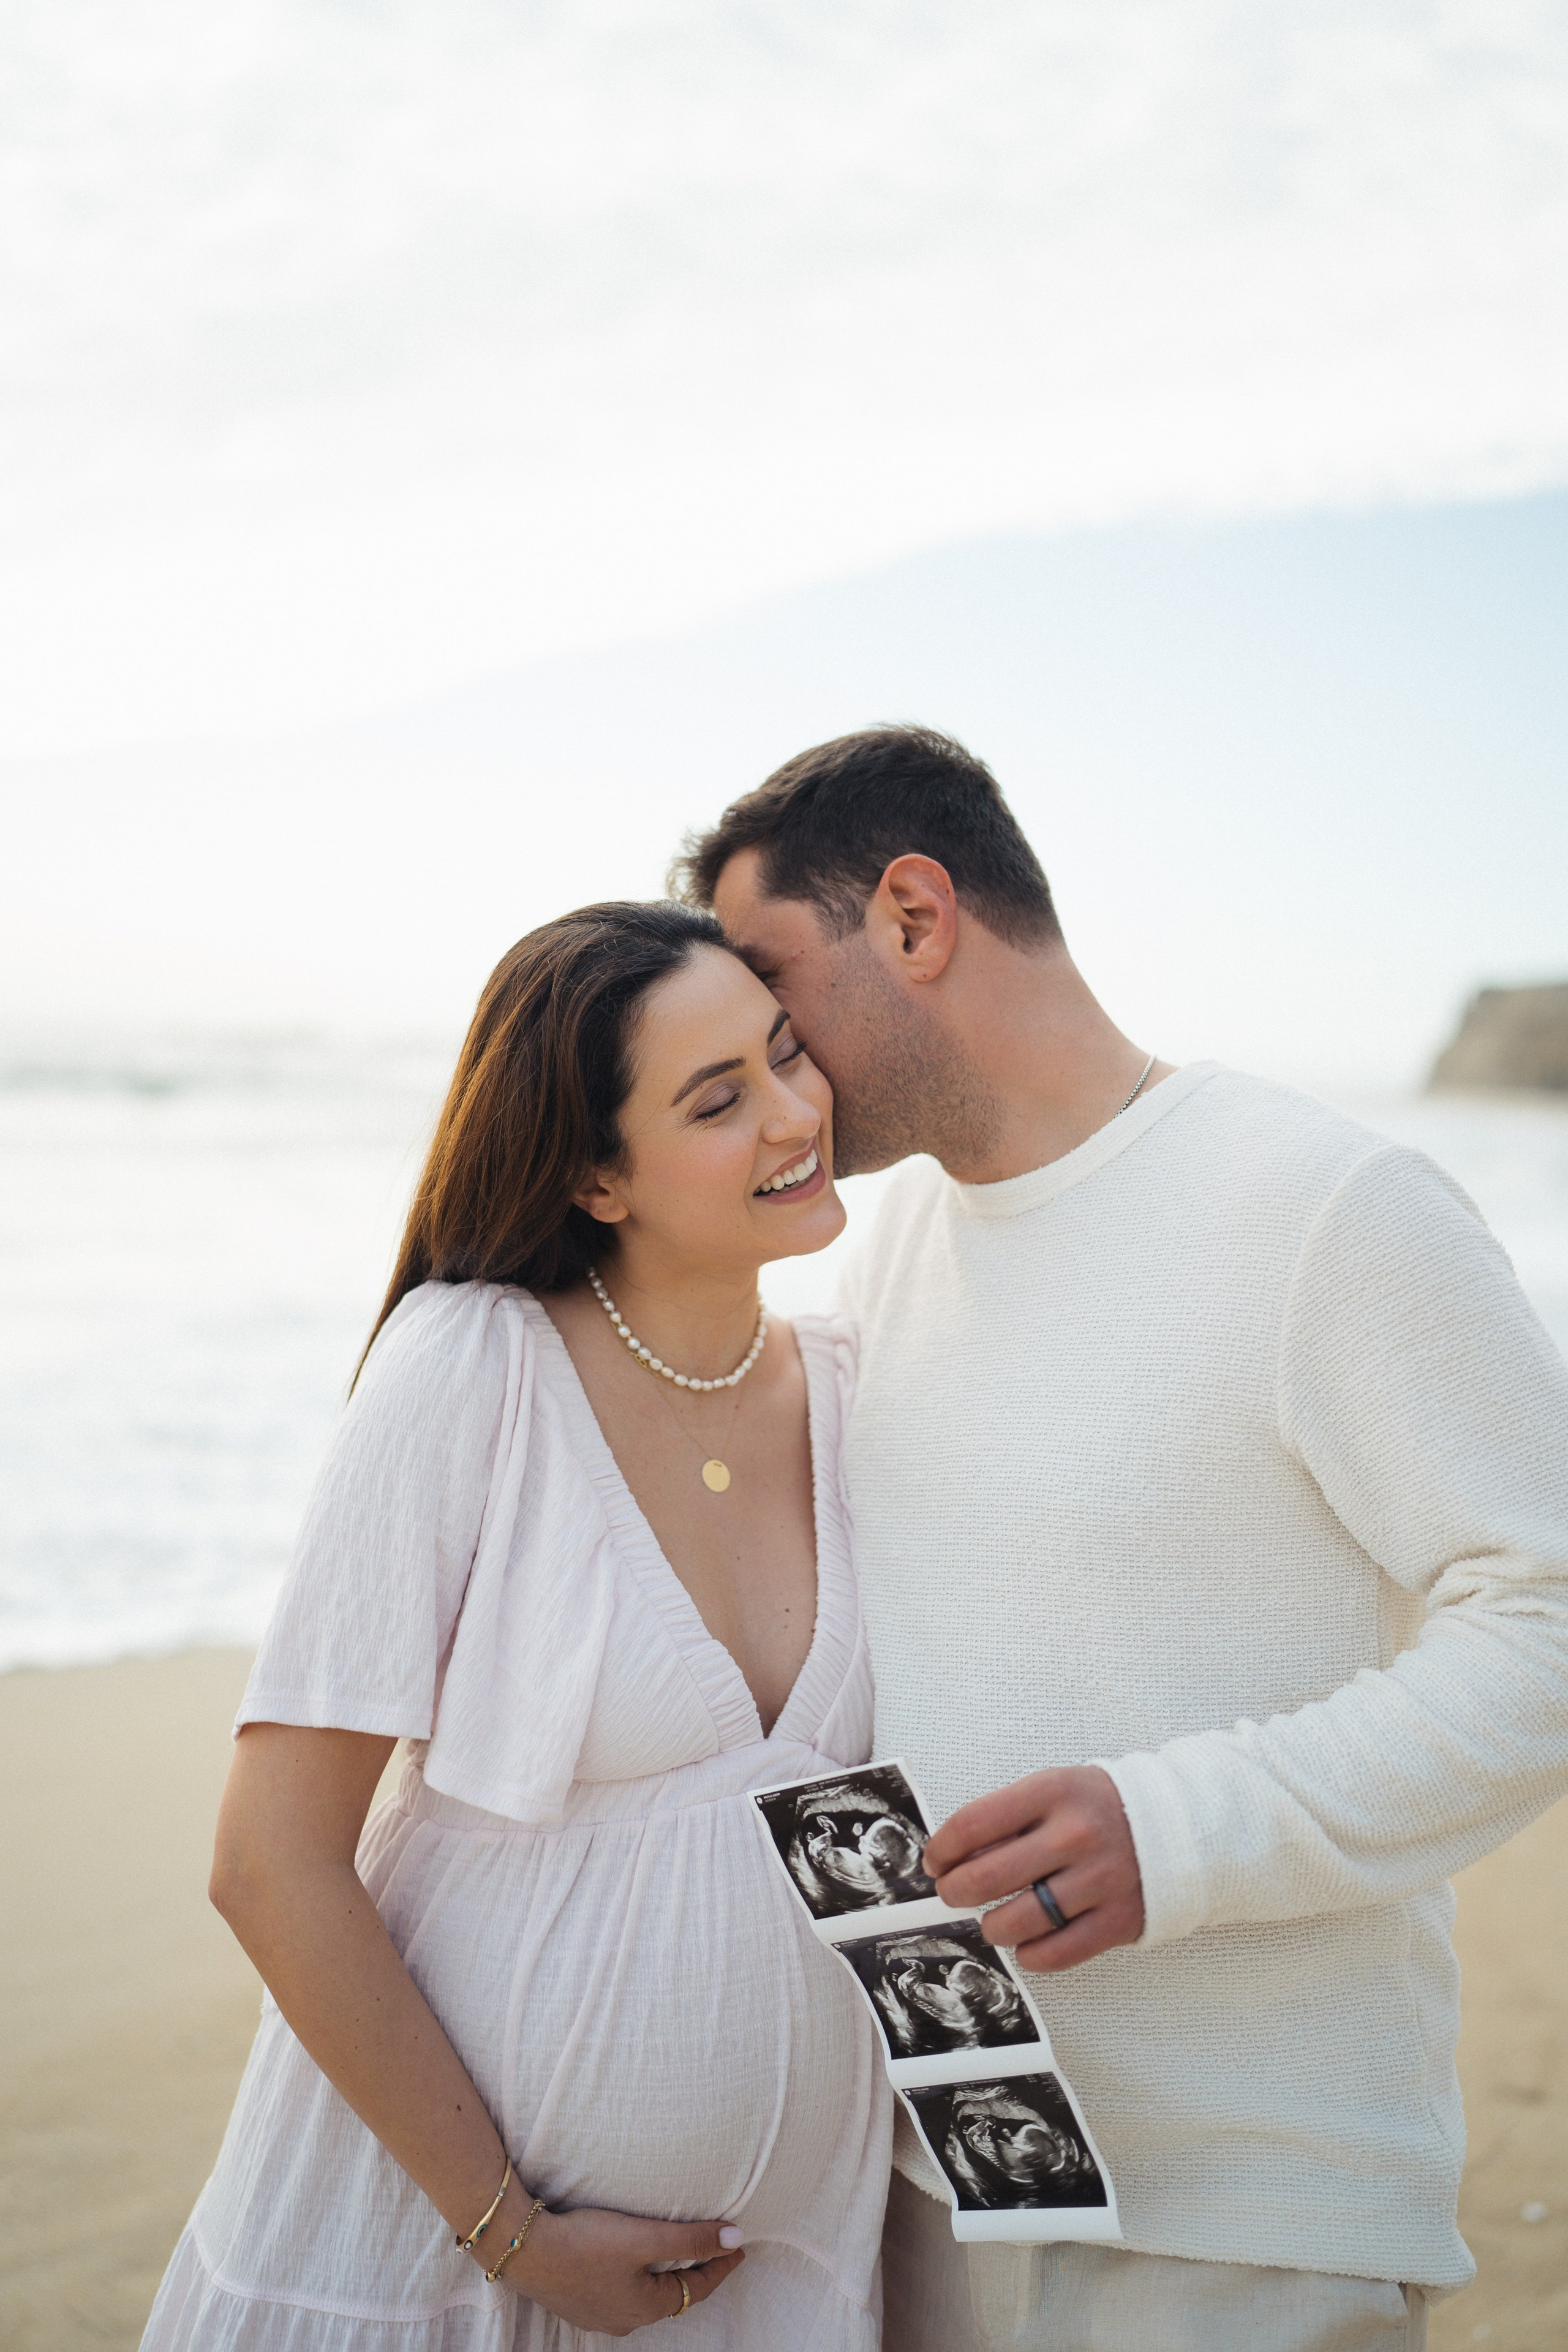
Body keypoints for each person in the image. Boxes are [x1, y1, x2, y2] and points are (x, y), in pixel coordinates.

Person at [676, 725, 1568, 2352]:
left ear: (917, 916)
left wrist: (1179, 1828)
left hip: (1245, 2225)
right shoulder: (887, 1264)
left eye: (772, 982)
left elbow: (1546, 1622)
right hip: (950, 2177)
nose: (762, 1046)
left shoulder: (1326, 1207)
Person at [140, 902, 892, 2352]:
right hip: (443, 2274)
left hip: (770, 2286)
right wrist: (513, 2233)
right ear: (598, 1177)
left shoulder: (863, 1394)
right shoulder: (472, 1367)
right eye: (719, 1098)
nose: (798, 1113)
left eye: (785, 1051)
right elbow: (268, 1858)